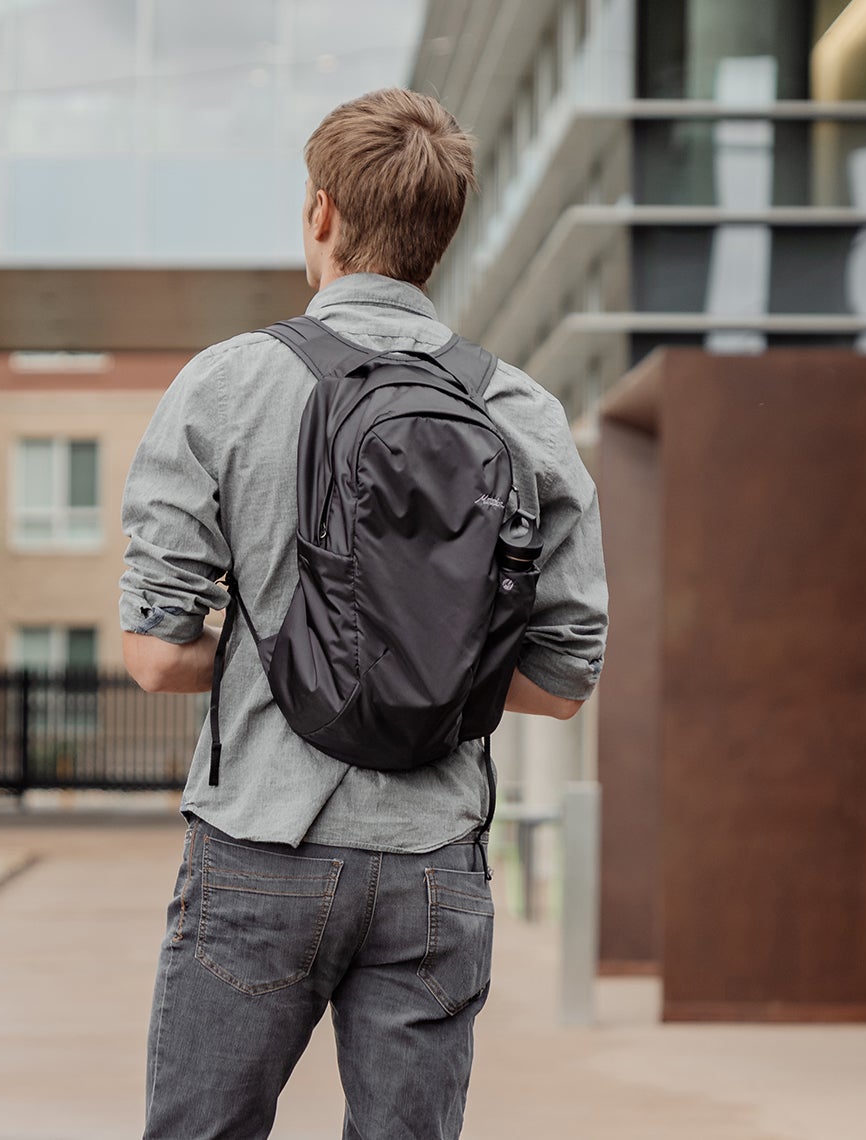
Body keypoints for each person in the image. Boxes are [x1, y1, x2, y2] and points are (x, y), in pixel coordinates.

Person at [118, 87, 608, 1140]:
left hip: (258, 845)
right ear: (441, 235)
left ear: (322, 214)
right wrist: (425, 676)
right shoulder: (516, 411)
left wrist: (283, 657)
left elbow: (155, 660)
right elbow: (565, 686)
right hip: (433, 857)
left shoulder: (224, 388)